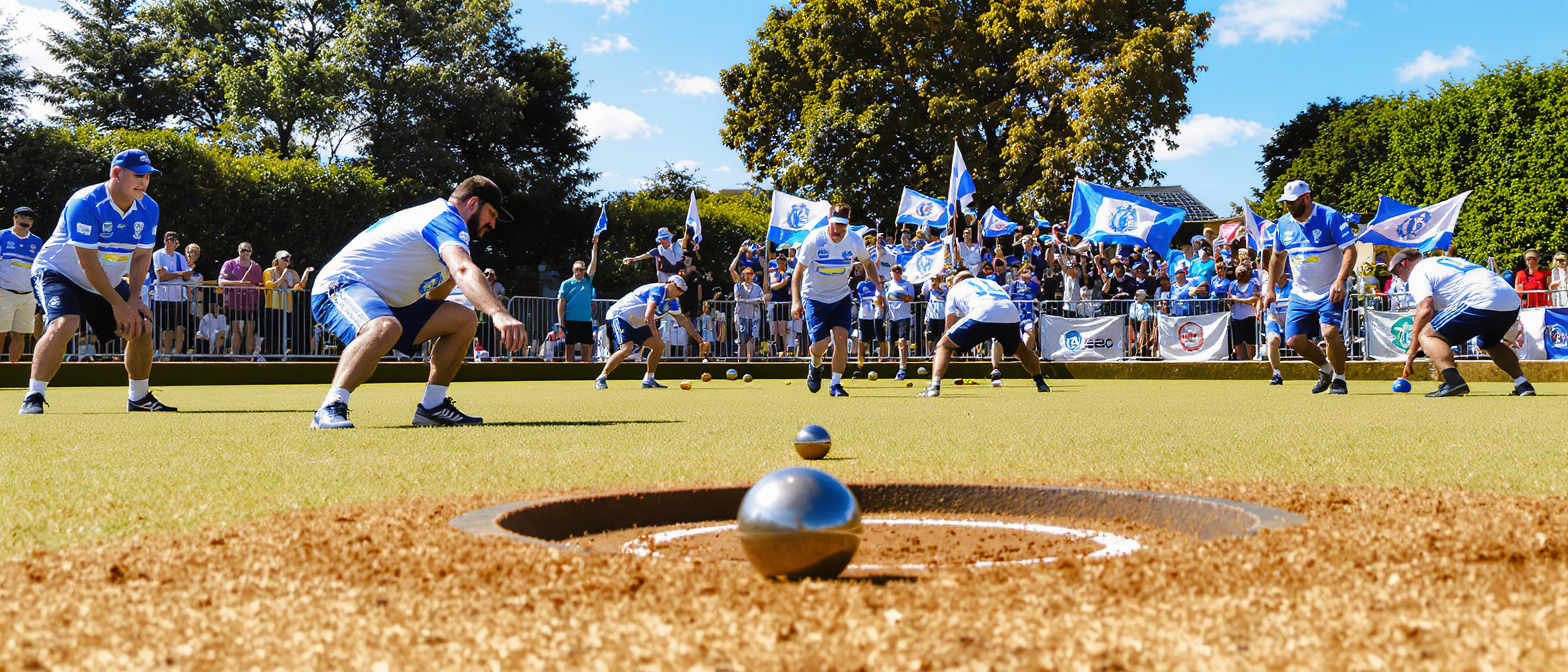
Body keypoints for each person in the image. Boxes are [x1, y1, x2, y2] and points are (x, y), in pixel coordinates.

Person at [309, 176, 527, 429]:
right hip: (339, 285)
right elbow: (464, 270)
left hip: (389, 304)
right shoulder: (444, 218)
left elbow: (434, 297)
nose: (492, 224)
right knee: (384, 327)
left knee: (464, 319)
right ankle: (330, 407)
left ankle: (432, 407)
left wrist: (451, 277)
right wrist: (498, 312)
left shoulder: (449, 233)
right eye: (491, 214)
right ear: (473, 203)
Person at [22, 149, 174, 414]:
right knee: (65, 323)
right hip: (58, 272)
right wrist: (118, 305)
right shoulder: (85, 202)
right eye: (138, 175)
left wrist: (133, 300)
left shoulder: (149, 208)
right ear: (117, 173)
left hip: (104, 279)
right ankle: (33, 396)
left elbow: (141, 258)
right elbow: (88, 263)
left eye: (148, 177)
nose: (144, 182)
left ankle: (138, 398)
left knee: (141, 325)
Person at [1389, 248, 1534, 397]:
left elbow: (1425, 309)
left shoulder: (1417, 272)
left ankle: (1453, 381)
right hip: (1511, 301)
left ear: (1404, 263)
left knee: (1427, 335)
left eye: (1396, 273)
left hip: (1482, 298)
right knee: (1490, 343)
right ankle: (1522, 384)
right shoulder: (1444, 262)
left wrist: (1412, 353)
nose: (1400, 279)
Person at [1263, 179, 1357, 395]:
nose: (1289, 206)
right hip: (1300, 292)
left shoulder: (1329, 216)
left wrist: (1340, 280)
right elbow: (1277, 258)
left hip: (1330, 288)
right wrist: (1270, 289)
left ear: (1306, 198)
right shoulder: (1282, 224)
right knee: (1293, 340)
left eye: (1292, 202)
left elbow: (1350, 250)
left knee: (1329, 332)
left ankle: (1339, 379)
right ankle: (1326, 368)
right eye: (1286, 202)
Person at [792, 205, 880, 396]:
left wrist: (879, 287)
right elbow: (797, 273)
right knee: (821, 345)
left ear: (848, 224)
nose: (837, 229)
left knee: (841, 340)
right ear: (828, 221)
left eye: (842, 224)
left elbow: (867, 263)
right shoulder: (815, 239)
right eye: (834, 223)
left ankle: (836, 384)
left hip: (840, 297)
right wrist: (795, 301)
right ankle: (815, 364)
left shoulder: (854, 240)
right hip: (814, 297)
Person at [919, 271, 1050, 397]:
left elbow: (950, 322)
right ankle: (1040, 382)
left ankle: (934, 387)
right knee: (1021, 349)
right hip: (1009, 312)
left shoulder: (955, 289)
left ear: (957, 281)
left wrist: (948, 344)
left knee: (944, 345)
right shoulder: (991, 283)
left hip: (982, 312)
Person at [594, 276, 704, 388]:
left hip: (638, 322)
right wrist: (655, 333)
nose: (680, 293)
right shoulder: (658, 290)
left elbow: (683, 321)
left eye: (682, 291)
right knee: (627, 349)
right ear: (669, 283)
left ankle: (649, 379)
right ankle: (601, 378)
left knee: (659, 346)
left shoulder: (672, 301)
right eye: (678, 289)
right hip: (621, 316)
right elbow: (649, 315)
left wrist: (701, 341)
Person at [1, 206, 42, 363]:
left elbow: (38, 269)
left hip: (28, 296)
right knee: (1, 333)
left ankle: (13, 368)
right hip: (5, 293)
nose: (26, 221)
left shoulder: (37, 241)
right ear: (15, 218)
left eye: (29, 219)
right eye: (22, 217)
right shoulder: (2, 236)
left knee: (21, 334)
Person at [149, 231, 194, 358]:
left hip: (178, 297)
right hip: (162, 297)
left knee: (178, 327)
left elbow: (187, 275)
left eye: (174, 240)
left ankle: (175, 355)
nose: (172, 242)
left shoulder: (180, 257)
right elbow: (161, 275)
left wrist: (174, 274)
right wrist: (179, 274)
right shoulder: (158, 255)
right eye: (169, 240)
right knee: (165, 328)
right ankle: (165, 353)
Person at [262, 250, 312, 357]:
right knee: (273, 332)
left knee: (284, 332)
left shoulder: (292, 273)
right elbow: (271, 285)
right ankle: (272, 355)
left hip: (286, 306)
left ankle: (285, 354)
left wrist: (306, 273)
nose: (287, 262)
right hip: (273, 305)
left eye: (288, 260)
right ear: (277, 260)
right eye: (284, 259)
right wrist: (283, 276)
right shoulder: (269, 271)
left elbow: (299, 286)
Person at [557, 235, 599, 362]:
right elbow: (561, 302)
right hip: (571, 319)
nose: (579, 272)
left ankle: (586, 368)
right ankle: (570, 369)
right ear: (573, 270)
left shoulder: (587, 281)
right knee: (569, 346)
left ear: (584, 271)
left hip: (585, 320)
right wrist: (560, 321)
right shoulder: (566, 284)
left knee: (586, 346)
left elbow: (594, 262)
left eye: (581, 270)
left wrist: (595, 245)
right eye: (576, 270)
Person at [219, 242, 263, 358]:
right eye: (243, 250)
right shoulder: (230, 264)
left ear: (251, 252)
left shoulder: (256, 266)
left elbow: (260, 283)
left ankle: (249, 357)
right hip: (234, 303)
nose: (246, 253)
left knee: (250, 331)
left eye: (248, 250)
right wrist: (239, 284)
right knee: (236, 330)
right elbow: (221, 282)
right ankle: (235, 356)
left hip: (251, 304)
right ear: (238, 251)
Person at [729, 243, 765, 362]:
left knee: (752, 340)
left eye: (750, 274)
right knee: (741, 341)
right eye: (746, 274)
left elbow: (762, 299)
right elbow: (731, 269)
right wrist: (740, 252)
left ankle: (751, 361)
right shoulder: (739, 286)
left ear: (753, 276)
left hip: (754, 316)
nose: (748, 276)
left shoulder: (757, 288)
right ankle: (741, 361)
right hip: (741, 316)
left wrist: (748, 301)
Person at [1262, 256, 1293, 385]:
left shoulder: (1293, 285)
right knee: (1273, 340)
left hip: (1290, 318)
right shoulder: (1267, 285)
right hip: (1273, 318)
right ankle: (1276, 374)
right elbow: (1265, 301)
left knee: (1301, 342)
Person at [621, 227, 689, 282]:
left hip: (678, 275)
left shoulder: (677, 246)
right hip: (665, 275)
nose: (664, 243)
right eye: (662, 241)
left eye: (665, 239)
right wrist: (632, 259)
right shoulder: (659, 250)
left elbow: (686, 243)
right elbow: (646, 255)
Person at [884, 263, 915, 379]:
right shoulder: (888, 285)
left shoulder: (907, 285)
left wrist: (901, 296)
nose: (896, 273)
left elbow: (910, 298)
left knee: (902, 341)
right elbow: (884, 300)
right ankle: (890, 365)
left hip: (904, 316)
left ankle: (902, 367)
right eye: (894, 271)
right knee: (891, 341)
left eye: (898, 271)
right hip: (892, 317)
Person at [1227, 262, 1261, 361]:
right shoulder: (1233, 284)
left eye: (1243, 271)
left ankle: (1252, 360)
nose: (1240, 273)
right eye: (1238, 271)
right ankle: (1240, 361)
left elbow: (1255, 299)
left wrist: (1238, 300)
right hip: (1236, 317)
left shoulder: (1254, 283)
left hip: (1250, 317)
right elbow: (1230, 298)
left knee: (1251, 343)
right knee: (1238, 343)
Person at [853, 266, 884, 366]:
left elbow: (880, 299)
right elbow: (859, 295)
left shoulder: (879, 287)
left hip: (876, 316)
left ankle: (882, 360)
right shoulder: (861, 285)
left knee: (879, 338)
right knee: (862, 339)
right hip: (864, 315)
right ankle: (860, 362)